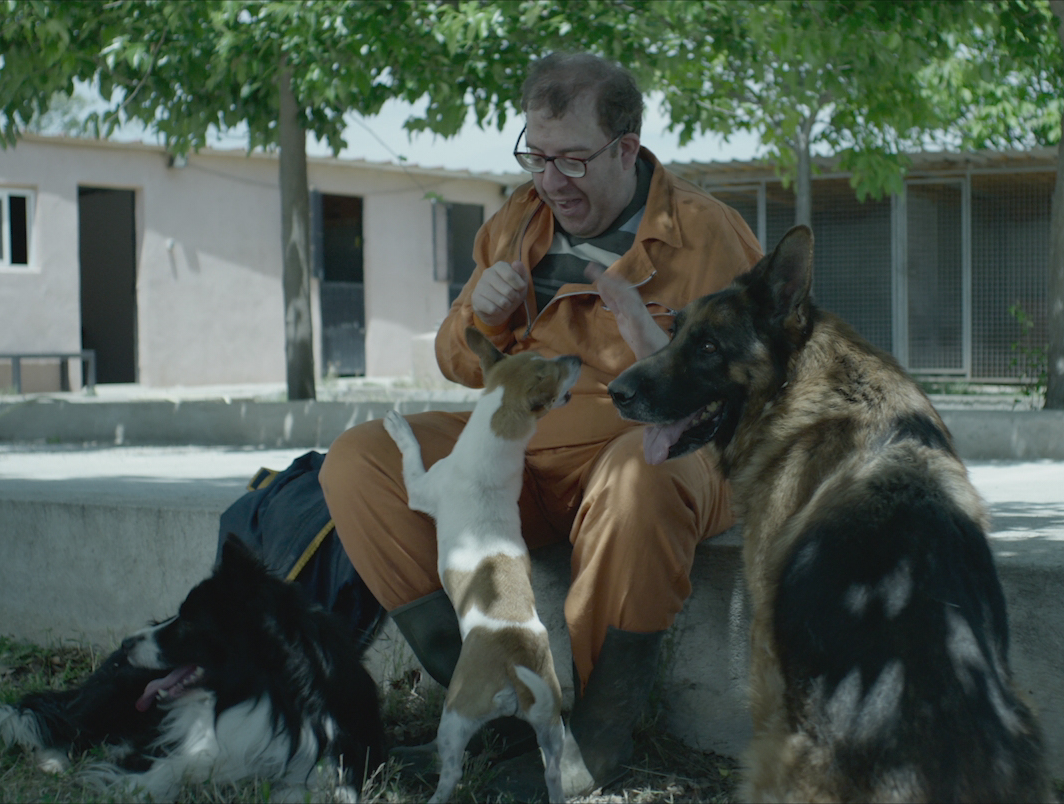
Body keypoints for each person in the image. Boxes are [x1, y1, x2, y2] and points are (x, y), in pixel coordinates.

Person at [320, 52, 763, 795]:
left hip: (650, 451)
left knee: (640, 473)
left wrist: (661, 350)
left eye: (572, 160)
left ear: (625, 147)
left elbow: (763, 377)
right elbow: (460, 363)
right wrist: (481, 315)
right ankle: (491, 708)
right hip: (520, 463)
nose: (552, 180)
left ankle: (601, 731)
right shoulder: (517, 220)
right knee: (361, 459)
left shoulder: (708, 232)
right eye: (537, 155)